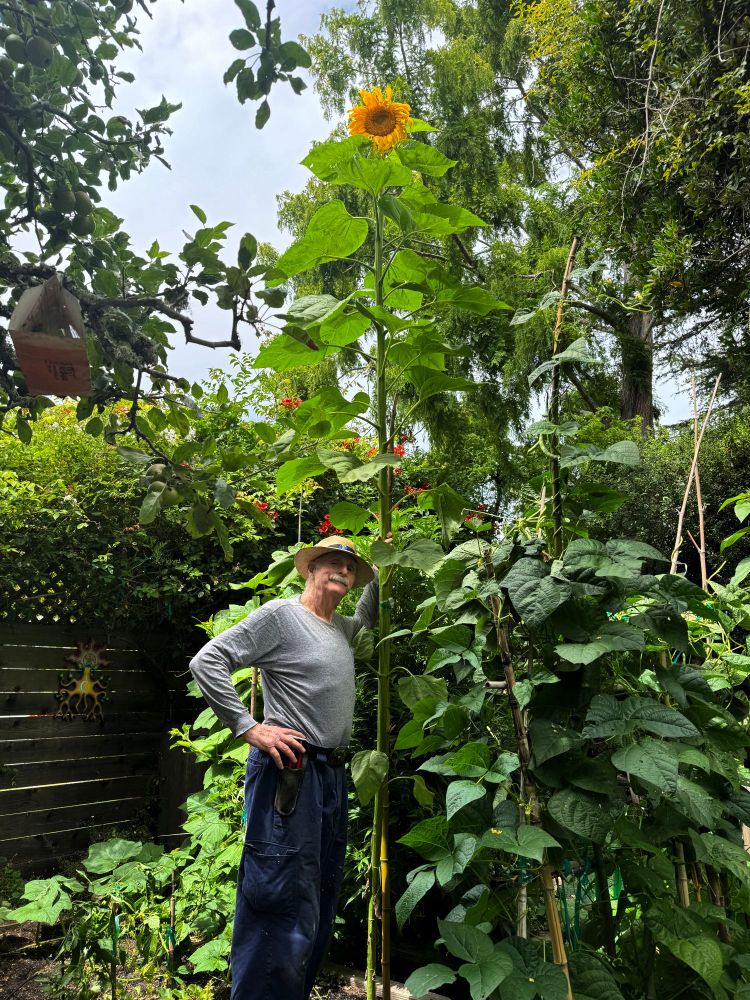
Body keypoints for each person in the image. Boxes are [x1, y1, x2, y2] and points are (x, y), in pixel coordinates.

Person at [188, 535, 379, 1000]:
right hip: (290, 773)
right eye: (331, 563)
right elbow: (207, 660)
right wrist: (249, 728)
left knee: (317, 900)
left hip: (330, 776)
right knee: (279, 899)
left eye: (349, 568)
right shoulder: (281, 616)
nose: (342, 572)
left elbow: (370, 616)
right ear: (309, 570)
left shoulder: (340, 629)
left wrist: (386, 556)